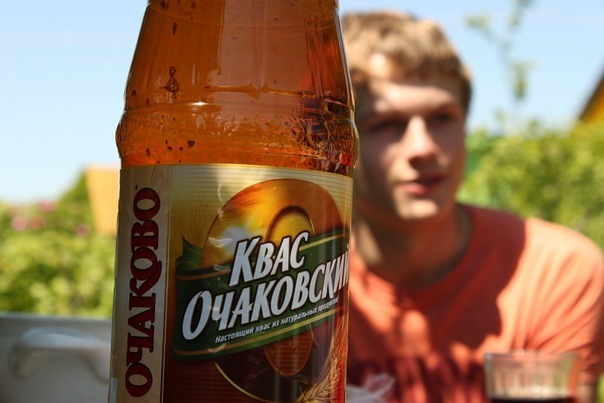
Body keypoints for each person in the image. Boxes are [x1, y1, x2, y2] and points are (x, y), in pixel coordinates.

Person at [341, 10, 604, 403]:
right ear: (339, 140)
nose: (423, 147)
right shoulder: (295, 285)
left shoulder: (557, 270)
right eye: (386, 124)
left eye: (442, 118)